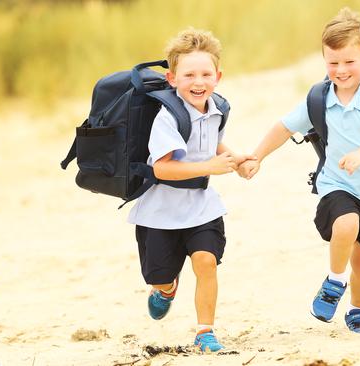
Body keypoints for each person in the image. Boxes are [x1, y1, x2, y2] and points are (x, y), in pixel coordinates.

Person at [238, 8, 360, 333]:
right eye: (333, 63)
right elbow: (284, 128)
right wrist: (257, 156)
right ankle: (334, 282)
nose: (341, 70)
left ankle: (357, 311)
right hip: (336, 184)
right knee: (346, 224)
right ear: (324, 61)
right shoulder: (319, 98)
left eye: (349, 61)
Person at [127, 28, 253, 352]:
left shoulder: (218, 109)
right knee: (160, 278)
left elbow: (211, 143)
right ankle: (166, 290)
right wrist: (209, 167)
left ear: (218, 76)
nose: (198, 82)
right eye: (189, 75)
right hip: (160, 211)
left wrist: (236, 160)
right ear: (172, 78)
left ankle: (205, 331)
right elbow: (162, 168)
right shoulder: (167, 118)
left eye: (205, 74)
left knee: (206, 262)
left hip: (201, 206)